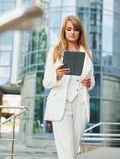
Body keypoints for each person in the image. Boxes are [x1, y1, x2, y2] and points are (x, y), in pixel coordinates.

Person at [43, 15, 95, 159]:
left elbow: (92, 79)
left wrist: (89, 83)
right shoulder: (55, 51)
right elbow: (46, 82)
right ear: (64, 31)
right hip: (61, 105)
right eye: (69, 29)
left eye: (76, 29)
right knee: (67, 151)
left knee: (73, 150)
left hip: (80, 103)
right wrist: (57, 76)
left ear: (80, 32)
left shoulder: (87, 53)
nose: (72, 32)